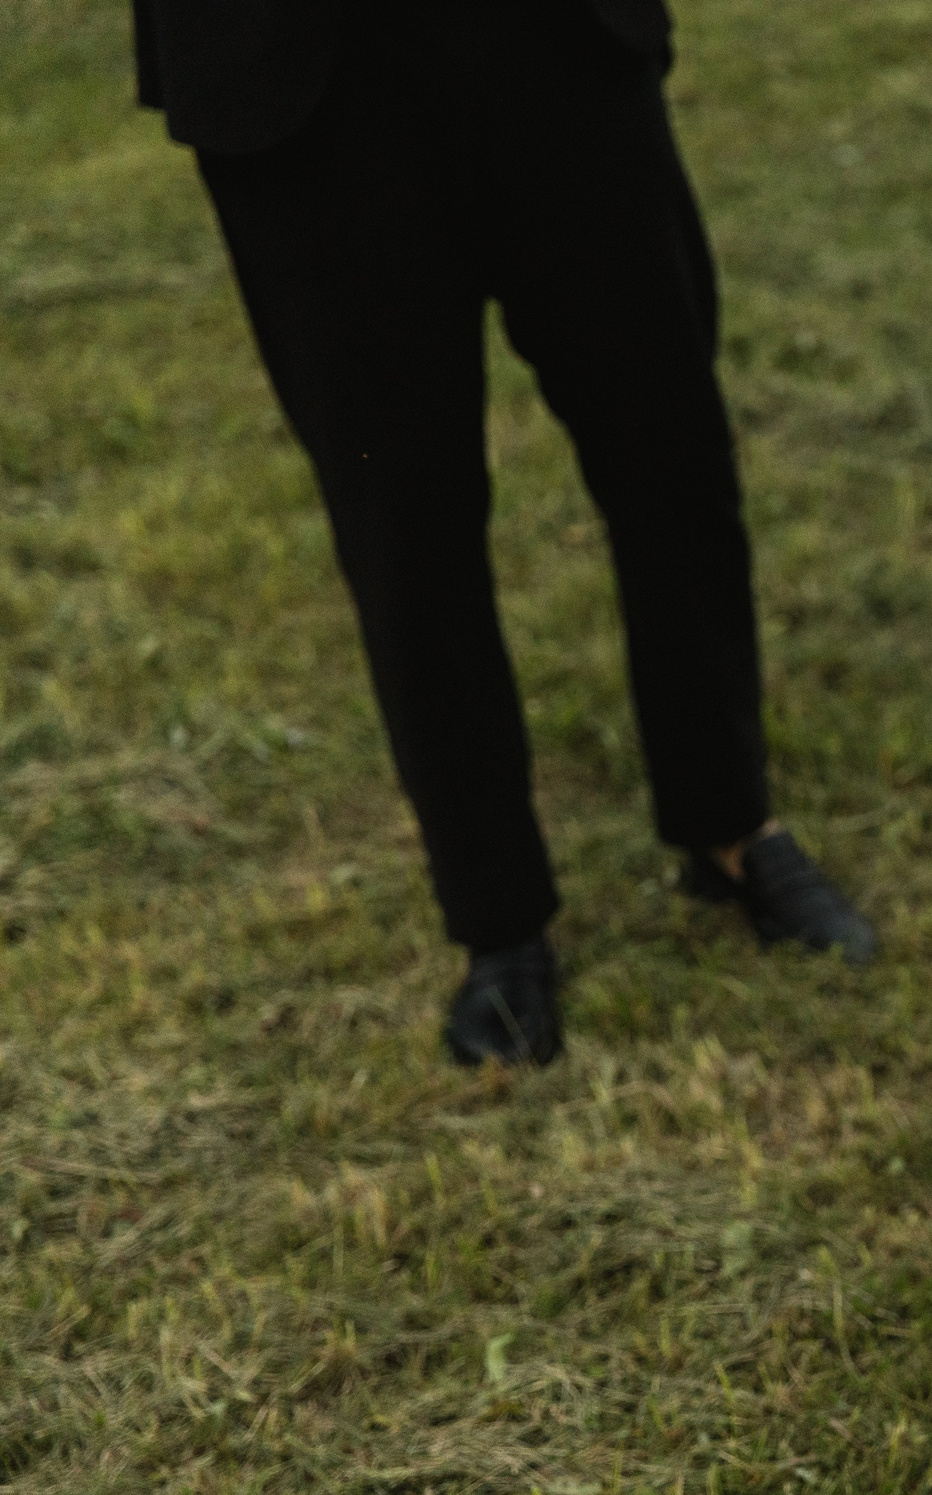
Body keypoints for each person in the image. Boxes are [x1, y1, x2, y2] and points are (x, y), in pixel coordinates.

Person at [130, 0, 878, 1067]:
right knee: (402, 520)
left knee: (667, 445)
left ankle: (729, 822)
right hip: (299, 73)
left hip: (550, 34)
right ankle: (497, 919)